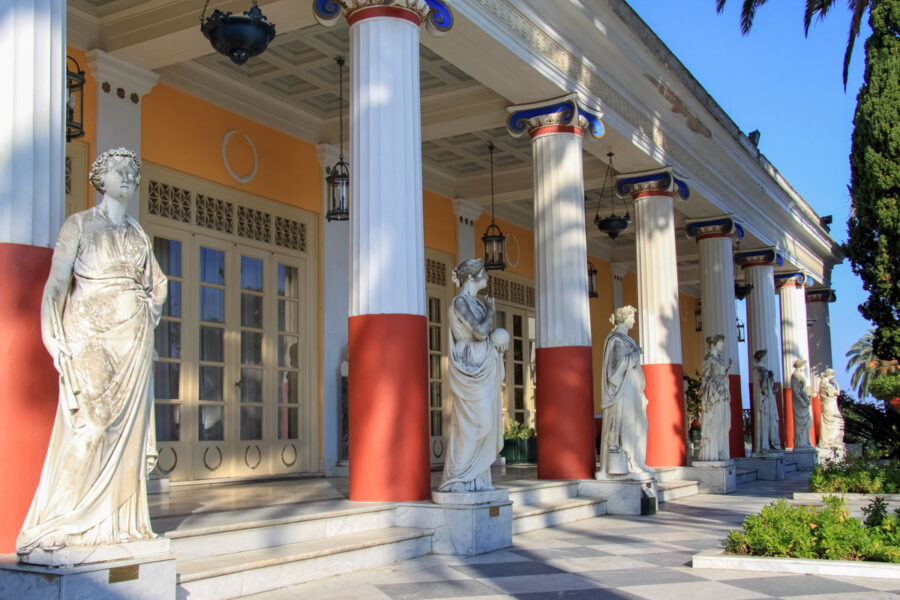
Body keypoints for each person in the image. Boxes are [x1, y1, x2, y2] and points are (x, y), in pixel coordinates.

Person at [18, 149, 167, 557]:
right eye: (120, 171)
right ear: (101, 177)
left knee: (126, 433)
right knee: (92, 425)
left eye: (133, 173)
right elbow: (56, 286)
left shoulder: (139, 235)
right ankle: (59, 518)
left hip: (132, 342)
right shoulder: (79, 225)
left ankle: (116, 526)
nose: (128, 179)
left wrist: (143, 308)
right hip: (89, 336)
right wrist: (55, 338)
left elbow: (158, 284)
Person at [438, 259, 508, 492]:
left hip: (482, 362)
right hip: (470, 363)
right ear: (471, 277)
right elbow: (479, 331)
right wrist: (490, 312)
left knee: (480, 424)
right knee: (475, 424)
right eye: (484, 273)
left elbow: (485, 332)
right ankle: (457, 477)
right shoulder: (460, 303)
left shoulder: (475, 303)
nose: (487, 278)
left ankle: (477, 478)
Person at [598, 305, 652, 476]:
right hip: (624, 391)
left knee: (641, 424)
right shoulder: (616, 341)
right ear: (624, 319)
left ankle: (638, 461)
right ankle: (629, 463)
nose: (634, 320)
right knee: (628, 426)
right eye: (632, 317)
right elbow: (613, 373)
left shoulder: (628, 341)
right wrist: (632, 358)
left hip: (634, 391)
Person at [698, 334, 731, 461]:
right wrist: (705, 395)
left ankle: (721, 451)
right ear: (714, 344)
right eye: (721, 343)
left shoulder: (720, 360)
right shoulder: (709, 359)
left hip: (723, 393)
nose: (722, 345)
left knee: (724, 423)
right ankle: (711, 452)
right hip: (714, 393)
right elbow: (705, 376)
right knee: (714, 424)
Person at [752, 349, 781, 453]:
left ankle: (769, 444)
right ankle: (764, 446)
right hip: (764, 401)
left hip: (767, 400)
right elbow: (762, 389)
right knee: (764, 424)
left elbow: (766, 387)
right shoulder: (759, 371)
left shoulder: (762, 371)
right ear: (763, 357)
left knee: (769, 423)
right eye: (766, 356)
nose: (767, 358)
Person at [817, 368, 845, 457]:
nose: (833, 377)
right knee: (836, 422)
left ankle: (828, 441)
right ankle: (831, 441)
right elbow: (836, 393)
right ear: (830, 375)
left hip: (827, 405)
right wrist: (836, 384)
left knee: (829, 424)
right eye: (832, 375)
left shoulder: (822, 383)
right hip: (830, 405)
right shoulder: (827, 384)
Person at [790, 359, 814, 449]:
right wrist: (802, 401)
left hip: (804, 400)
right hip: (799, 402)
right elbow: (796, 391)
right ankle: (800, 444)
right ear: (800, 366)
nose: (805, 367)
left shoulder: (800, 375)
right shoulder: (795, 376)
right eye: (804, 365)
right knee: (800, 423)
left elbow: (803, 390)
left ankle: (806, 442)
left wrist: (807, 398)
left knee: (807, 423)